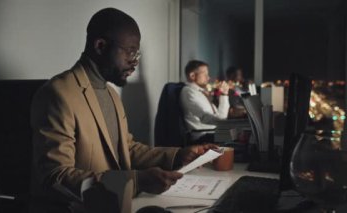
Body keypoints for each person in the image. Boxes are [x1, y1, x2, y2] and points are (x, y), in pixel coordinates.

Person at [30, 8, 216, 213]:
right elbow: (55, 176)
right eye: (130, 52)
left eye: (137, 53)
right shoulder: (58, 94)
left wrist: (178, 156)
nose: (135, 61)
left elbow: (127, 149)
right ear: (100, 46)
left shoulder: (111, 93)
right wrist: (135, 181)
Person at [180, 60, 230, 144]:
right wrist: (224, 95)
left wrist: (223, 95)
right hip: (202, 137)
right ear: (192, 75)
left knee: (241, 136)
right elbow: (212, 119)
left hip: (212, 133)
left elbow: (220, 117)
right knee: (238, 137)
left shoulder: (200, 92)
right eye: (205, 74)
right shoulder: (189, 92)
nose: (208, 78)